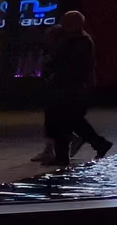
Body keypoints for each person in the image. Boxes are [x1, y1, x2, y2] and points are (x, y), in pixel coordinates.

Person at [44, 10, 110, 166]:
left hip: (71, 87)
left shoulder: (78, 41)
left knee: (66, 121)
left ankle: (64, 155)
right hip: (70, 86)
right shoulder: (76, 39)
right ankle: (98, 144)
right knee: (72, 121)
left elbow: (66, 62)